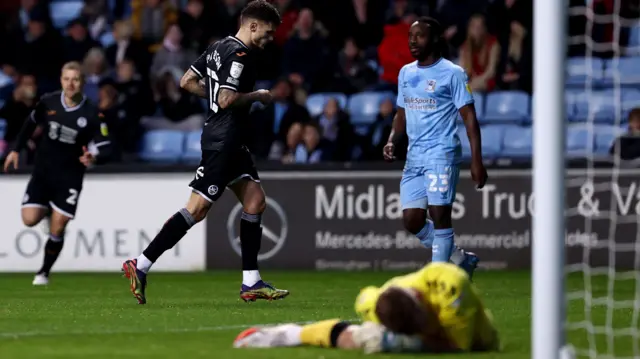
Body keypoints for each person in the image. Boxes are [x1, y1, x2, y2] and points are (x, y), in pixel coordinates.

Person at [121, 0, 288, 305]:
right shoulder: (240, 55)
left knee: (255, 200)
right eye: (267, 31)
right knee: (197, 209)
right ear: (252, 25)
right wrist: (257, 96)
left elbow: (187, 81)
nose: (270, 38)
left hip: (228, 140)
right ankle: (141, 264)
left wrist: (215, 93)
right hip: (223, 141)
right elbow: (226, 99)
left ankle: (251, 281)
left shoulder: (217, 47)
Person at [383, 17, 488, 277]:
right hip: (414, 155)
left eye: (419, 36)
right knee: (412, 220)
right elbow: (401, 112)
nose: (412, 41)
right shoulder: (406, 72)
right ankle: (460, 259)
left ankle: (438, 278)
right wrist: (392, 138)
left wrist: (477, 160)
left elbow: (470, 119)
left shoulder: (452, 73)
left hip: (441, 153)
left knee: (440, 214)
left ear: (436, 39)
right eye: (410, 36)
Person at [233, 262, 500, 354]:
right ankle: (289, 334)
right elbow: (367, 307)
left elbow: (458, 345)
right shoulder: (375, 300)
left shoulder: (452, 288)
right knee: (365, 335)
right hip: (406, 328)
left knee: (374, 338)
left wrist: (406, 342)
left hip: (472, 337)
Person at [3, 61, 112, 286]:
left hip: (70, 175)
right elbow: (29, 124)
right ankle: (45, 215)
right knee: (29, 219)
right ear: (61, 81)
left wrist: (93, 157)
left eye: (75, 79)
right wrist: (15, 149)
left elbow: (106, 144)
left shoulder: (91, 112)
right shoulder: (48, 102)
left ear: (82, 82)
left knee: (59, 224)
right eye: (66, 79)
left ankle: (43, 272)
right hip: (43, 171)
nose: (70, 84)